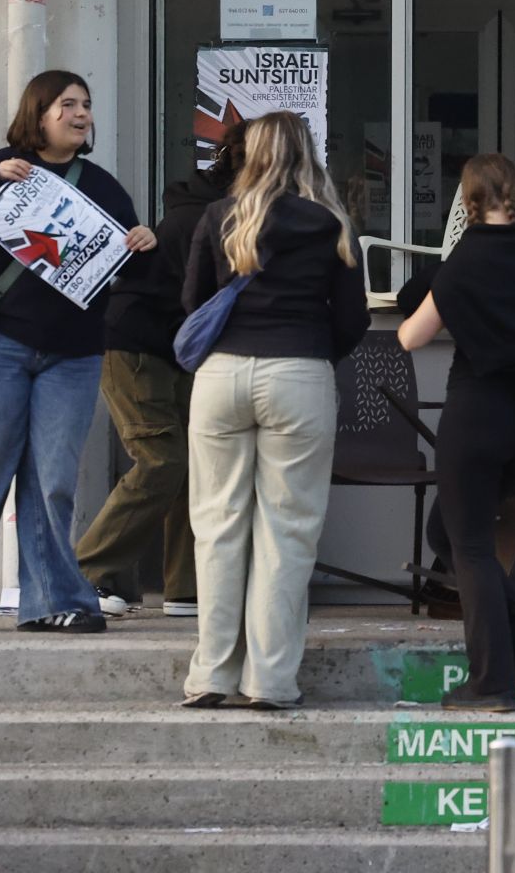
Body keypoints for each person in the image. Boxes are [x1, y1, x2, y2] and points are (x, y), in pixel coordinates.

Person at [0, 71, 155, 635]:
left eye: (86, 104)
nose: (81, 113)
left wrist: (144, 244)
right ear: (38, 114)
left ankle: (53, 601)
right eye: (68, 104)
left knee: (54, 481)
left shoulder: (104, 186)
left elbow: (124, 268)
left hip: (74, 356)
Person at [179, 111, 369, 709]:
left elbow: (192, 304)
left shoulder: (218, 217)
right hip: (299, 374)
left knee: (216, 529)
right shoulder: (332, 224)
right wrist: (308, 354)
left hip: (222, 378)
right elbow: (352, 322)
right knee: (287, 534)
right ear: (307, 152)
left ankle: (211, 674)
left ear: (250, 154)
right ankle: (271, 682)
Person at [397, 154, 515, 712]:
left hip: (473, 414)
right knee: (448, 534)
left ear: (469, 201)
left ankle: (491, 681)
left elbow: (411, 337)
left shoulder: (467, 258)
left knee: (467, 544)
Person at [75, 121, 251, 620]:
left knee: (192, 463)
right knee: (162, 461)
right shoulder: (215, 218)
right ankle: (83, 572)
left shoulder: (208, 210)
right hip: (136, 346)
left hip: (172, 349)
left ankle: (186, 588)